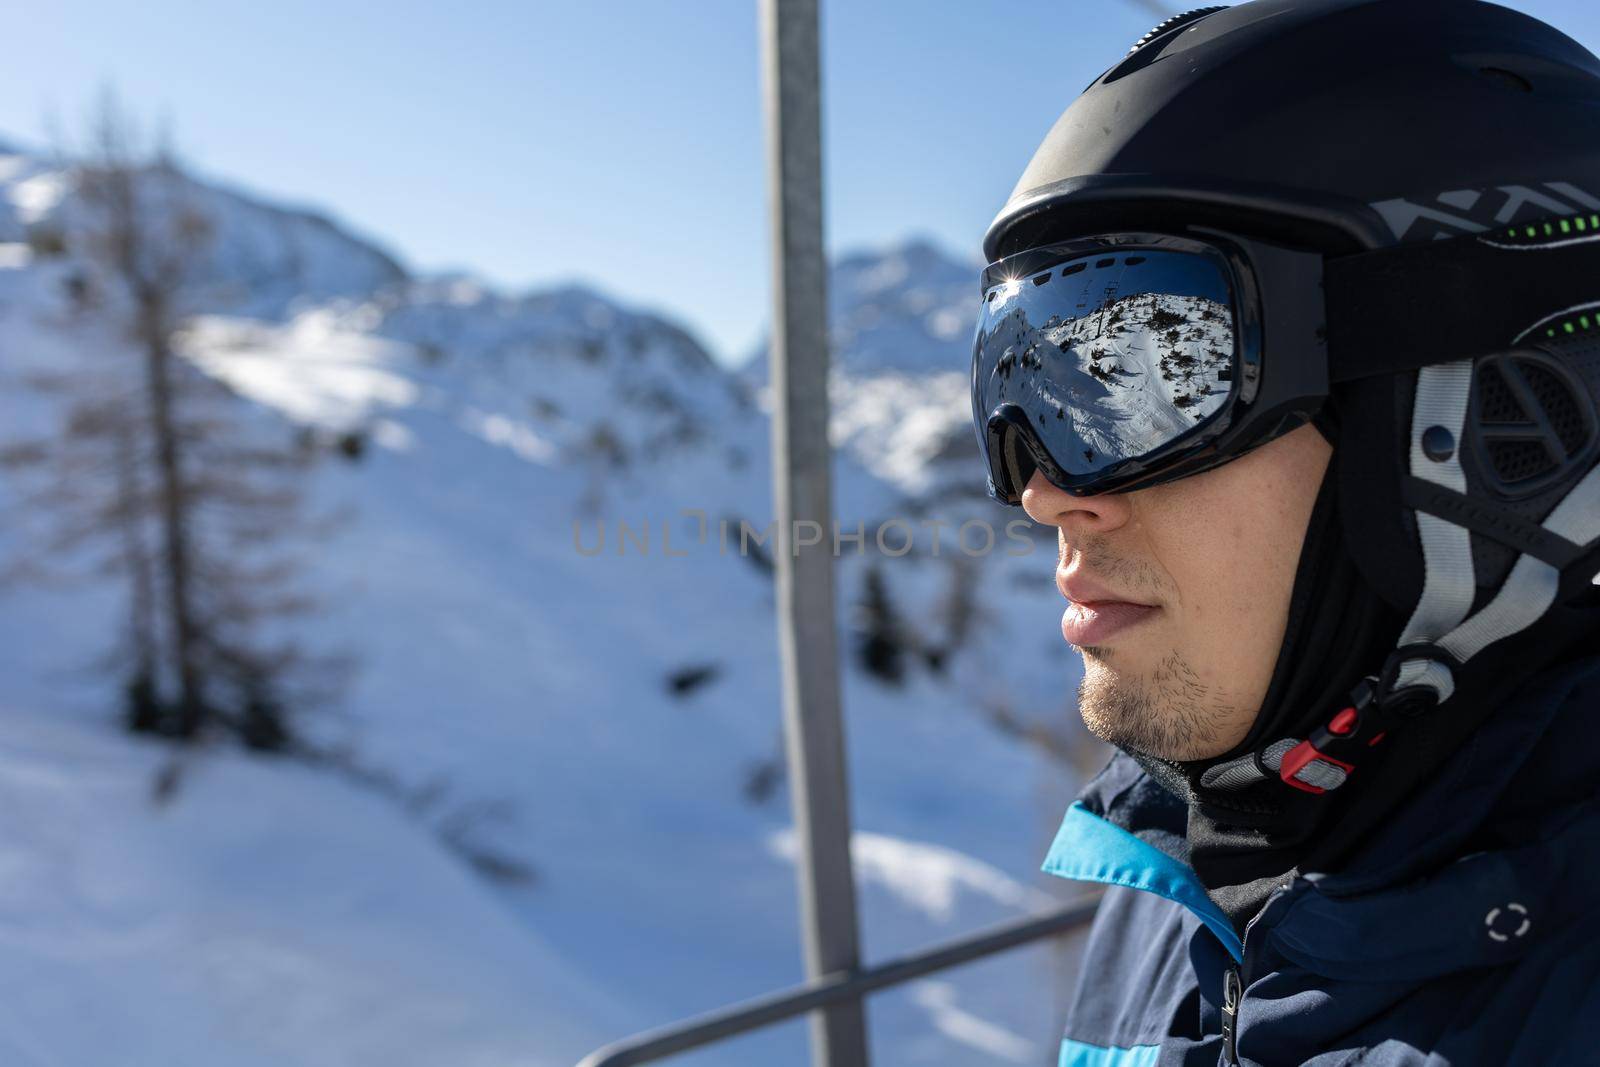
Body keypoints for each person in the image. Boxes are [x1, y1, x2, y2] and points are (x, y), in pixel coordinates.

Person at [968, 1, 1600, 1064]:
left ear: (1500, 427)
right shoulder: (1173, 870)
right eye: (1017, 375)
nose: (1041, 490)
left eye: (1162, 368)